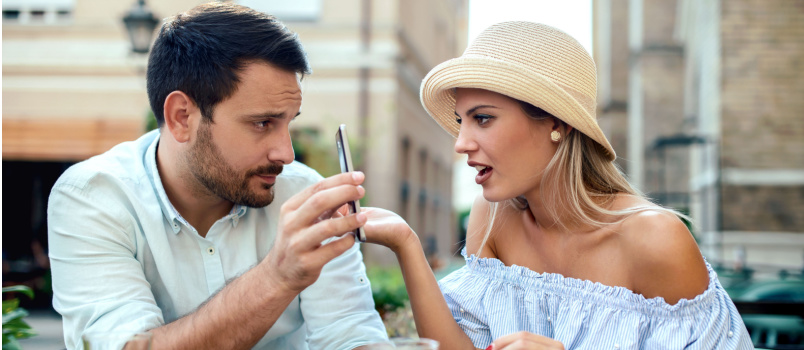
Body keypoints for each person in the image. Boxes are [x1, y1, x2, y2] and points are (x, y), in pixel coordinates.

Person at [362, 22, 752, 349]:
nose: (461, 143)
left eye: (482, 119)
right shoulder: (493, 215)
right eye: (461, 120)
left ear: (556, 125)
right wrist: (405, 243)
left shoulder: (655, 239)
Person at [47, 3, 387, 349]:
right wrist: (276, 277)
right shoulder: (92, 197)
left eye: (289, 121)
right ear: (182, 117)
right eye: (262, 123)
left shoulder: (303, 195)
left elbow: (352, 335)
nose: (286, 153)